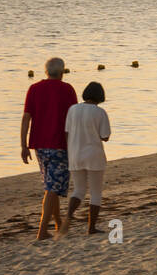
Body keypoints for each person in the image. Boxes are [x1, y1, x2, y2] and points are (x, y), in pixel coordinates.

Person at [20, 57, 77, 240]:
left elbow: (26, 118)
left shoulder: (34, 89)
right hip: (60, 144)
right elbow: (73, 119)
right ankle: (42, 230)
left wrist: (24, 145)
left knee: (50, 185)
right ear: (62, 72)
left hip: (39, 145)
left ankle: (58, 223)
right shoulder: (67, 89)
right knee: (52, 188)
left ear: (46, 72)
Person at [61, 82, 111, 236]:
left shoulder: (73, 109)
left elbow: (66, 132)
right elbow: (105, 136)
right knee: (95, 192)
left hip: (75, 154)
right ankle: (91, 228)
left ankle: (68, 216)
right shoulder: (100, 112)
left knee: (79, 190)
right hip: (94, 155)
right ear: (100, 97)